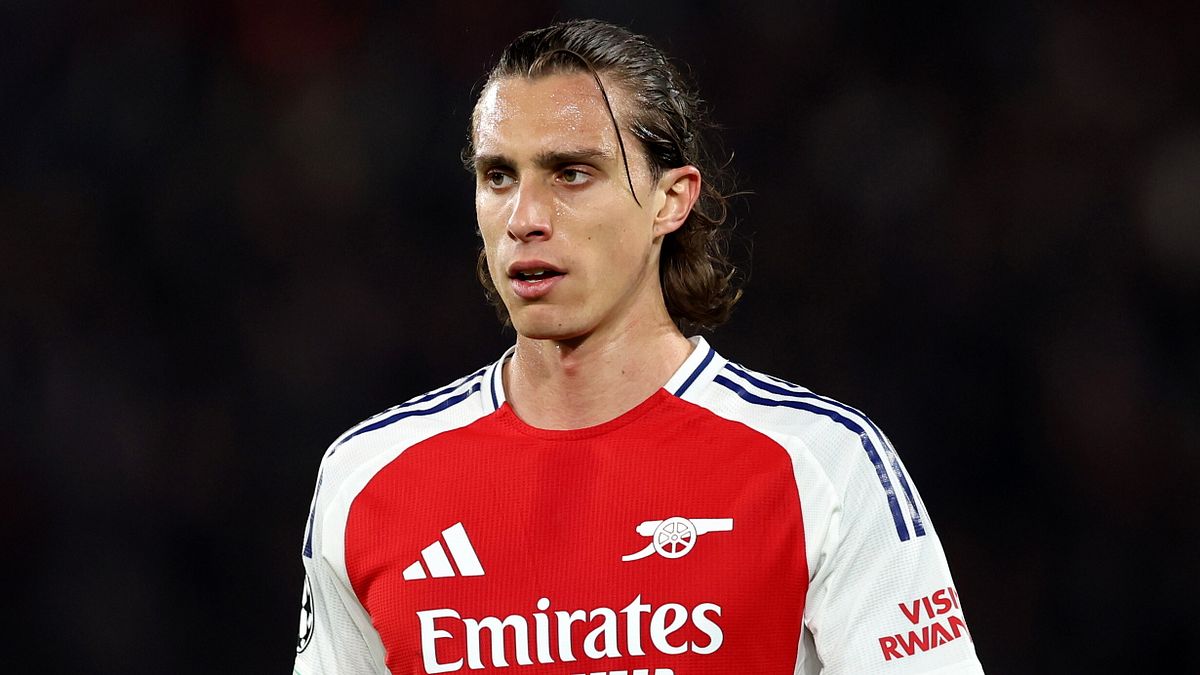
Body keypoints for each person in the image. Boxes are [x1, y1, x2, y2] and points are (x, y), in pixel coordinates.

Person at [294, 18, 984, 675]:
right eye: (498, 176)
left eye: (571, 173)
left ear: (670, 200)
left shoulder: (820, 465)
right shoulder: (368, 477)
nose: (525, 218)